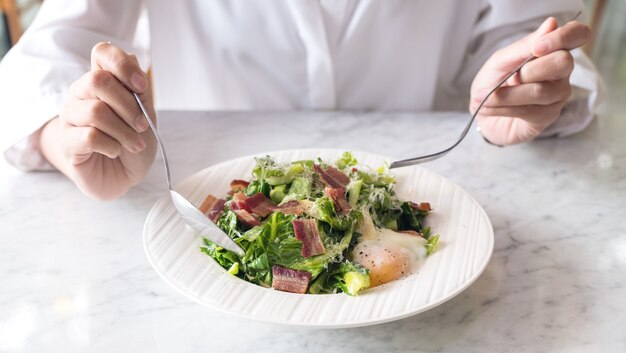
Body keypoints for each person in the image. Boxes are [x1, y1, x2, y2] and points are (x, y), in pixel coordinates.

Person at [0, 0, 602, 200]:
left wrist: (510, 98)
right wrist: (72, 133)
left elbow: (522, 36)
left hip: (433, 187)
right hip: (205, 204)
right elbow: (47, 55)